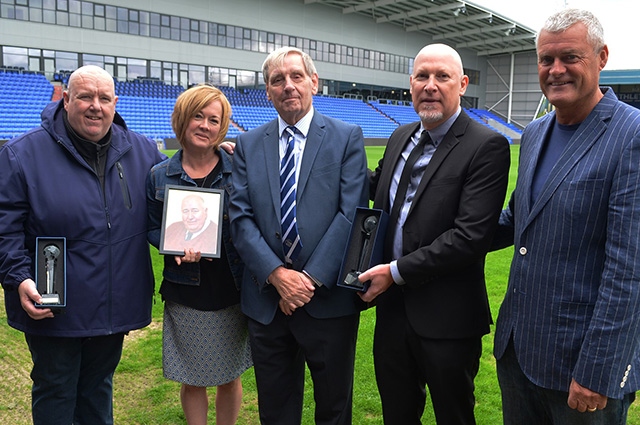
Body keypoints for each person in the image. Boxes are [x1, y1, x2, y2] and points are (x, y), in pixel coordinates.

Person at [492, 9, 640, 425]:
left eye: (570, 57)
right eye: (545, 60)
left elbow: (628, 270)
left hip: (582, 369)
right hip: (519, 352)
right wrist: (437, 232)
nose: (555, 70)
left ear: (601, 57)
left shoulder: (632, 135)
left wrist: (598, 370)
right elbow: (517, 218)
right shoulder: (536, 132)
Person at [0, 65, 165, 425]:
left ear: (115, 103)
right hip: (52, 305)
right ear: (66, 99)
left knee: (97, 389)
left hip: (113, 303)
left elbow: (180, 184)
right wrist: (18, 277)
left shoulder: (141, 151)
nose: (95, 106)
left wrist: (219, 155)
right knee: (56, 389)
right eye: (86, 96)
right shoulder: (21, 154)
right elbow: (4, 227)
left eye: (104, 98)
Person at [358, 43, 510, 425]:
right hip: (392, 313)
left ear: (461, 84)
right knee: (397, 414)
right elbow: (370, 191)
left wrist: (393, 271)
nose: (430, 85)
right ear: (410, 83)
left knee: (453, 417)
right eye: (422, 76)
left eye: (442, 76)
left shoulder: (486, 145)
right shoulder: (400, 137)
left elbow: (470, 237)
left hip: (449, 318)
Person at [229, 46, 369, 425]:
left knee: (334, 407)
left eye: (296, 76)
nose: (288, 85)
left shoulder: (346, 137)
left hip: (327, 301)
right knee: (275, 409)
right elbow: (239, 217)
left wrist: (306, 281)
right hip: (267, 303)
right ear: (268, 90)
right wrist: (277, 276)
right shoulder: (247, 145)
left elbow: (351, 214)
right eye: (278, 80)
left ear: (313, 82)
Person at [147, 84, 252, 425]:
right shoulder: (159, 175)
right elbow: (150, 226)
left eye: (213, 119)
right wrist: (174, 245)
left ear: (221, 127)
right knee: (191, 376)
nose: (205, 125)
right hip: (185, 288)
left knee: (229, 373)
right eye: (197, 116)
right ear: (182, 119)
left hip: (232, 286)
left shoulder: (239, 167)